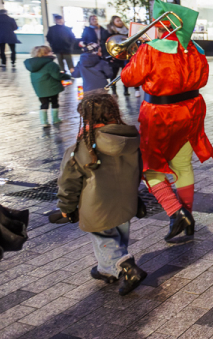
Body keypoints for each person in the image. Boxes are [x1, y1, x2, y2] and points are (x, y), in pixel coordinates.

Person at [121, 0, 213, 243]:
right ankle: (187, 219)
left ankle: (177, 212)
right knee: (183, 165)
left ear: (162, 27)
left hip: (160, 116)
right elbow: (203, 80)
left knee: (150, 168)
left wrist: (134, 56)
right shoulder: (196, 49)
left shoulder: (151, 49)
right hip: (191, 112)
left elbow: (130, 79)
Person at [55, 93, 146, 295]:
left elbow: (69, 181)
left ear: (87, 118)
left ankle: (128, 268)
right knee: (119, 236)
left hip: (96, 204)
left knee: (104, 238)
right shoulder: (129, 138)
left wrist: (66, 208)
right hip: (125, 199)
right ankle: (107, 271)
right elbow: (138, 170)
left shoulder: (84, 145)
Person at [24, 46, 71, 127]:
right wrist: (67, 76)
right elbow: (57, 76)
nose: (52, 52)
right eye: (50, 51)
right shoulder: (51, 64)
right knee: (54, 102)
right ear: (45, 54)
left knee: (44, 104)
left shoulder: (32, 65)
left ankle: (44, 122)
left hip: (39, 88)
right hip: (51, 87)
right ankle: (55, 119)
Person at [105, 16, 130, 97]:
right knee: (114, 74)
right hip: (115, 56)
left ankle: (126, 90)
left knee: (125, 74)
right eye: (117, 21)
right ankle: (114, 90)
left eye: (120, 20)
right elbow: (106, 43)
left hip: (125, 55)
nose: (120, 22)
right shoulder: (110, 31)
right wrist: (110, 55)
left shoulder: (126, 30)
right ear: (113, 22)